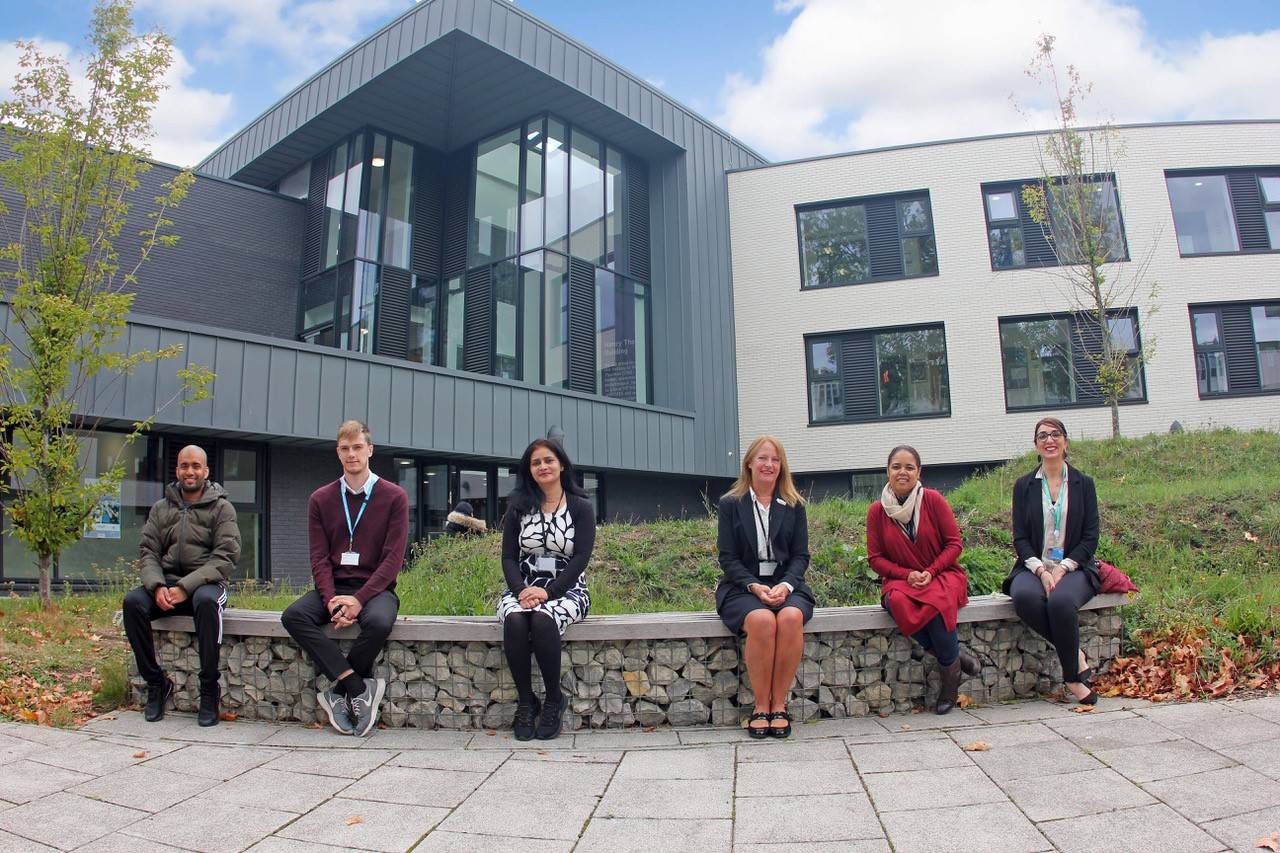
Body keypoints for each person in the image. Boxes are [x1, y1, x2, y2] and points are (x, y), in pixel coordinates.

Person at [282, 420, 409, 736]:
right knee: (294, 616)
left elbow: (392, 560)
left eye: (357, 447)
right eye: (344, 448)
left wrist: (358, 600)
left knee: (379, 622)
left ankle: (337, 692)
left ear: (370, 449)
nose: (351, 454)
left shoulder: (394, 497)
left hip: (375, 589)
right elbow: (319, 559)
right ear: (338, 453)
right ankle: (356, 686)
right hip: (333, 587)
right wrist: (331, 601)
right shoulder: (320, 499)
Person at [123, 445, 239, 727]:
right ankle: (156, 683)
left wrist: (186, 587)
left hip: (207, 584)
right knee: (133, 603)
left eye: (196, 466)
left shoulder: (222, 508)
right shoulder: (161, 508)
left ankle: (210, 689)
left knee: (206, 603)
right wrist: (157, 585)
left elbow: (225, 556)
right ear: (177, 471)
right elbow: (148, 552)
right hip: (167, 584)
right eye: (185, 466)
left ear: (205, 471)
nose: (190, 471)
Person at [866, 445, 980, 714]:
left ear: (919, 471)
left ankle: (949, 686)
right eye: (896, 467)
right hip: (902, 579)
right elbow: (875, 558)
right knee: (895, 601)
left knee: (937, 604)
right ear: (887, 471)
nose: (902, 472)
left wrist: (931, 570)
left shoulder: (933, 500)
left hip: (941, 573)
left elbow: (954, 544)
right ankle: (955, 657)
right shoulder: (877, 511)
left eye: (909, 467)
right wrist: (907, 574)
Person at [716, 435, 814, 738]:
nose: (769, 464)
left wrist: (785, 585)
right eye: (762, 458)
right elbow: (728, 558)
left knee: (789, 617)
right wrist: (754, 587)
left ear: (781, 465)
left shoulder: (794, 505)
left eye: (774, 459)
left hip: (787, 583)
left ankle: (779, 705)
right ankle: (760, 706)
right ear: (749, 463)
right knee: (761, 620)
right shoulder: (731, 504)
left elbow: (801, 556)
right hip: (742, 585)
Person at [498, 438, 595, 740]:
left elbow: (580, 558)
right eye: (536, 462)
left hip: (567, 589)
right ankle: (527, 701)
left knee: (543, 618)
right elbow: (509, 557)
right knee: (515, 619)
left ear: (562, 464)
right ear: (528, 470)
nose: (543, 466)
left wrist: (549, 593)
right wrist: (520, 591)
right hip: (523, 588)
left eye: (548, 460)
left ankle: (554, 699)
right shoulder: (518, 507)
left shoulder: (581, 507)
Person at [1005, 417, 1100, 705]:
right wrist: (1041, 570)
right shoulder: (1024, 486)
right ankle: (1077, 654)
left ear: (1065, 442)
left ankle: (1072, 678)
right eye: (1043, 435)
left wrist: (1062, 568)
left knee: (1060, 602)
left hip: (1075, 566)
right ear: (1036, 445)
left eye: (1055, 434)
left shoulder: (1084, 484)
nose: (1050, 440)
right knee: (1025, 599)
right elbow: (1020, 537)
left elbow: (1090, 536)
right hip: (1033, 565)